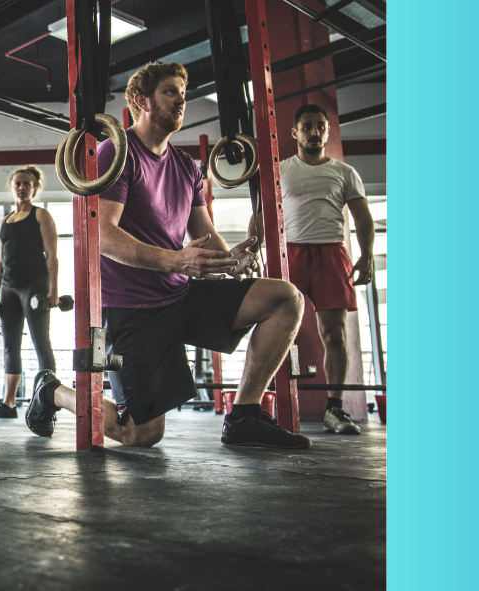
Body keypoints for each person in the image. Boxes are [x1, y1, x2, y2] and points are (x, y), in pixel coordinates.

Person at [23, 61, 310, 449]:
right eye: (170, 92)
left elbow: (204, 238)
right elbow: (102, 236)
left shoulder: (186, 166)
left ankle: (244, 415)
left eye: (183, 94)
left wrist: (232, 263)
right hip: (134, 307)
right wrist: (176, 261)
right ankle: (52, 390)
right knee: (141, 435)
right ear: (141, 100)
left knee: (284, 298)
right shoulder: (115, 154)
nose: (181, 101)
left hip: (181, 296)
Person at [248, 103, 374, 435]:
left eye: (321, 126)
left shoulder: (345, 172)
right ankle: (260, 405)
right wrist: (252, 250)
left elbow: (362, 217)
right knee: (274, 330)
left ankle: (335, 409)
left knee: (334, 334)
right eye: (308, 126)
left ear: (327, 131)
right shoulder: (280, 169)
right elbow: (261, 217)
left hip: (332, 254)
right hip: (290, 255)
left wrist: (368, 254)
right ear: (295, 132)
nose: (314, 131)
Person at [0, 166, 61, 419]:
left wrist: (54, 290)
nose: (22, 187)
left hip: (34, 285)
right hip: (8, 288)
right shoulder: (6, 221)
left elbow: (52, 255)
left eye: (27, 183)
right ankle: (9, 404)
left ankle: (47, 404)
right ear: (11, 187)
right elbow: (0, 261)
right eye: (18, 183)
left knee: (41, 342)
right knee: (10, 346)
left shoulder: (41, 215)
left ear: (34, 188)